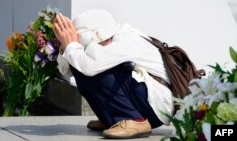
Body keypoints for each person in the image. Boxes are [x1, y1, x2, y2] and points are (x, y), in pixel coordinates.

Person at [53, 9, 174, 139]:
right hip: (147, 102)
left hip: (157, 107)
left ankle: (133, 119)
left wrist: (72, 45)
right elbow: (67, 70)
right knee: (79, 63)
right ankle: (112, 118)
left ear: (98, 35)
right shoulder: (110, 40)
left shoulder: (125, 40)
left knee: (91, 68)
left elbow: (88, 66)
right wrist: (66, 46)